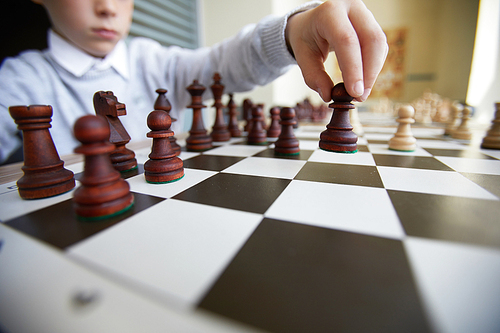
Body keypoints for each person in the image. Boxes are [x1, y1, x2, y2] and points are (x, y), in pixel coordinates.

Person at [0, 0, 387, 164]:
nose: (107, 6)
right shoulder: (17, 83)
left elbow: (223, 65)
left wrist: (292, 32)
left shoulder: (155, 62)